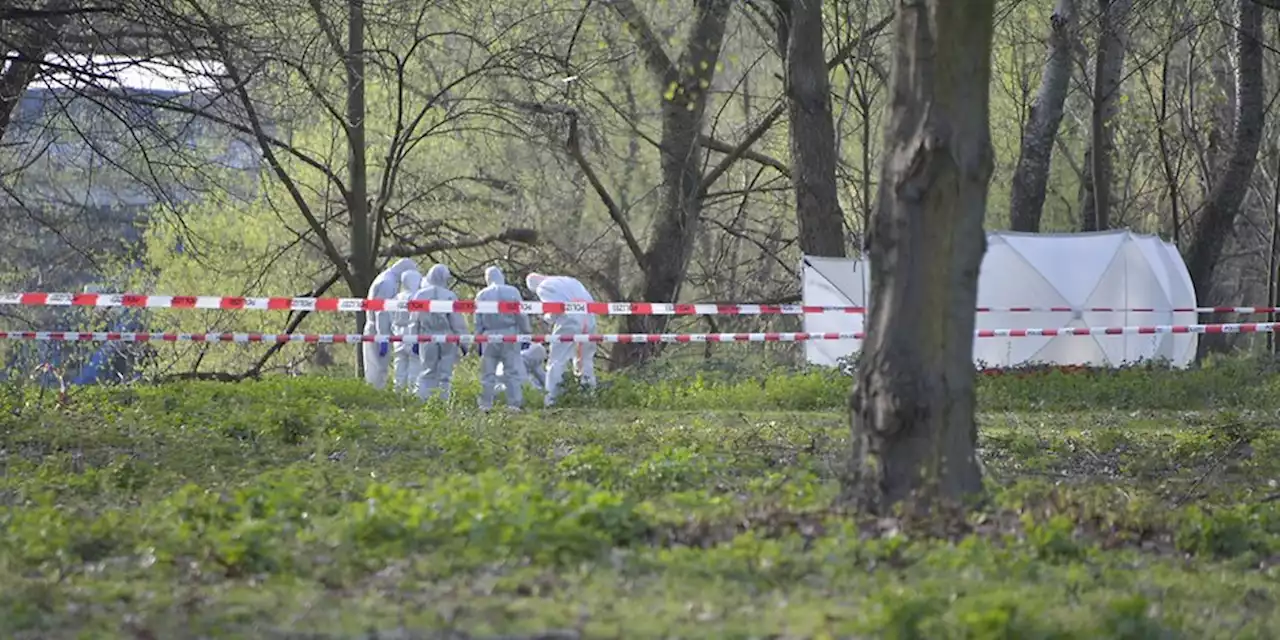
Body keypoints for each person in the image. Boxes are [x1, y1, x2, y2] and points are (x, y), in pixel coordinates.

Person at [525, 272, 597, 406]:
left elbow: (555, 309)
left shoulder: (543, 287)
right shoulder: (570, 280)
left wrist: (546, 318)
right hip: (590, 318)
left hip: (569, 320)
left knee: (557, 360)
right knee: (585, 359)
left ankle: (553, 399)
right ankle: (588, 396)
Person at [474, 266, 533, 411]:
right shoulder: (512, 292)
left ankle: (485, 404)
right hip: (509, 334)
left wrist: (478, 340)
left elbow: (478, 321)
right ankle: (514, 404)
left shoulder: (481, 295)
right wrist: (526, 333)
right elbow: (520, 314)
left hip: (489, 335)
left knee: (487, 373)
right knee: (512, 371)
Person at [410, 264, 468, 402]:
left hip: (426, 336)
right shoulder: (449, 295)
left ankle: (424, 400)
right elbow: (457, 322)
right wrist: (464, 342)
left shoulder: (420, 295)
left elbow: (414, 320)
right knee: (445, 374)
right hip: (447, 338)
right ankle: (443, 401)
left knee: (427, 371)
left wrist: (414, 339)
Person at [362, 258, 418, 389]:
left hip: (379, 328)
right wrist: (383, 336)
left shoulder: (388, 279)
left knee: (378, 366)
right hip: (378, 329)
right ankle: (375, 396)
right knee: (377, 367)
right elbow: (381, 312)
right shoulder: (387, 283)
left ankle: (377, 394)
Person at [390, 268, 422, 393]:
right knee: (415, 365)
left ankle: (398, 390)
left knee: (399, 364)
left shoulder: (396, 298)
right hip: (412, 333)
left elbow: (389, 316)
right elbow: (417, 318)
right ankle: (412, 392)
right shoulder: (417, 297)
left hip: (398, 334)